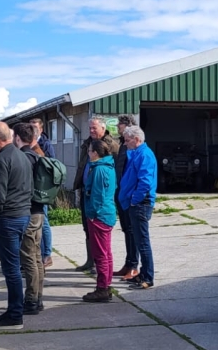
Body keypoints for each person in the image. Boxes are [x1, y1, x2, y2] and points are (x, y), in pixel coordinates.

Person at [0, 121, 33, 330]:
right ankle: (13, 309)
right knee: (14, 267)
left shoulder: (2, 159)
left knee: (11, 269)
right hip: (22, 215)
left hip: (8, 218)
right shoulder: (21, 155)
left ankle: (15, 314)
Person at [72, 118, 118, 273]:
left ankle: (100, 267)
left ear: (103, 128)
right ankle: (90, 261)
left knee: (98, 232)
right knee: (88, 229)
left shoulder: (110, 145)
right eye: (90, 128)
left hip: (99, 196)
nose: (91, 131)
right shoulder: (88, 143)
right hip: (86, 191)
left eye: (94, 128)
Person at [12, 123, 46, 315]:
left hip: (29, 212)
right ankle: (38, 298)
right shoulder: (37, 155)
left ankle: (32, 300)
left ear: (17, 138)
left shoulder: (24, 158)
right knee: (36, 256)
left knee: (28, 257)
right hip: (40, 211)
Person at [118, 126, 157, 290]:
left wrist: (134, 199)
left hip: (140, 204)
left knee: (143, 242)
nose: (125, 144)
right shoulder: (136, 153)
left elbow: (145, 182)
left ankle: (148, 277)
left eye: (127, 140)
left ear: (137, 139)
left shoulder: (145, 155)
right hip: (133, 202)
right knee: (139, 240)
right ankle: (142, 273)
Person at [82, 139, 117, 302]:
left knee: (101, 254)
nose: (88, 153)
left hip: (99, 216)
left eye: (90, 151)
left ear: (95, 153)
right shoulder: (109, 167)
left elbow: (97, 196)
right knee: (106, 252)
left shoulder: (98, 170)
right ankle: (106, 285)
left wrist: (92, 214)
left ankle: (102, 288)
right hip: (107, 214)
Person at [112, 115, 139, 281]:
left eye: (120, 124)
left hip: (129, 195)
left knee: (132, 231)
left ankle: (134, 266)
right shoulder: (122, 144)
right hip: (121, 193)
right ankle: (128, 263)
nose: (117, 127)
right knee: (126, 230)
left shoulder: (133, 146)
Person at [28, 118, 55, 268]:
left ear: (41, 129)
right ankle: (37, 252)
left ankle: (47, 254)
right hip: (31, 186)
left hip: (42, 187)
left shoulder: (45, 144)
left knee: (44, 222)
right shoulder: (26, 143)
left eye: (35, 127)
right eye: (30, 127)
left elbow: (52, 164)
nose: (32, 130)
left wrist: (37, 149)